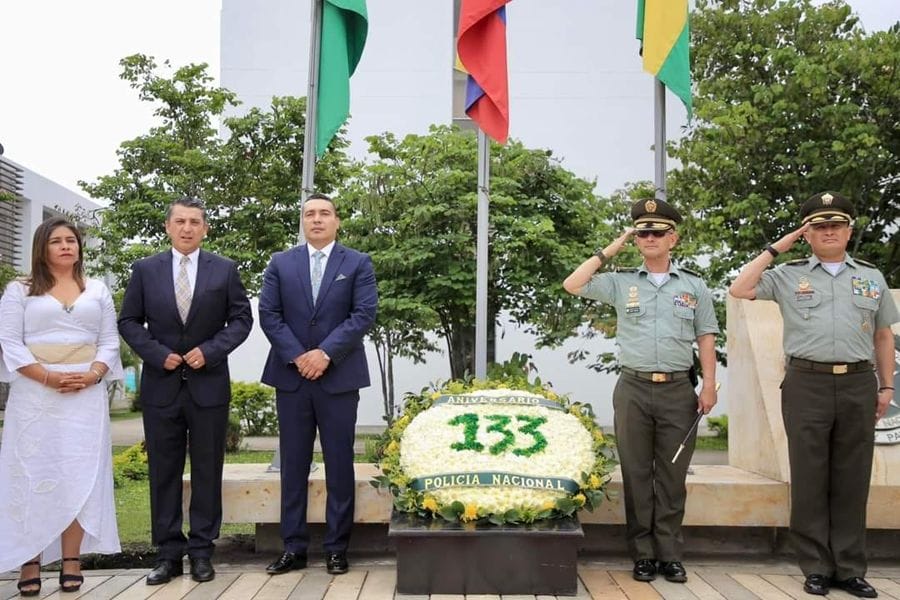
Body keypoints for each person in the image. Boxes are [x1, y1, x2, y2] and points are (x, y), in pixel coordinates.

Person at [729, 191, 898, 598]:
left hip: (859, 383)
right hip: (807, 383)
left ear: (848, 230)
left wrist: (887, 386)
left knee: (852, 479)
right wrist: (777, 246)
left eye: (835, 225)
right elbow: (739, 288)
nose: (828, 232)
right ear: (807, 234)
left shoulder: (871, 277)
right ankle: (817, 567)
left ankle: (851, 569)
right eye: (819, 226)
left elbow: (883, 335)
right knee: (808, 477)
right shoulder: (788, 275)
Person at [563, 198, 719, 584]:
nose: (650, 237)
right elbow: (573, 283)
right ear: (636, 239)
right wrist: (610, 248)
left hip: (678, 390)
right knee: (635, 473)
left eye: (658, 232)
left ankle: (670, 554)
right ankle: (643, 554)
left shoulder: (694, 286)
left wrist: (711, 385)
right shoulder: (621, 283)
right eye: (643, 232)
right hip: (632, 388)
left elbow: (706, 337)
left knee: (671, 476)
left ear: (673, 239)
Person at [118, 197, 252, 585]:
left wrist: (208, 352)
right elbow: (128, 321)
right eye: (180, 221)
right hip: (162, 387)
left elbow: (241, 320)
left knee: (208, 470)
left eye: (195, 222)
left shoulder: (224, 270)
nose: (187, 228)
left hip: (208, 386)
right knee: (164, 472)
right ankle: (168, 554)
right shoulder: (145, 270)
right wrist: (159, 355)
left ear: (205, 228)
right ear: (167, 226)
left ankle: (202, 552)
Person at [0, 216, 123, 596]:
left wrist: (93, 374)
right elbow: (10, 341)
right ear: (42, 247)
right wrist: (48, 377)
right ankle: (29, 561)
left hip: (84, 397)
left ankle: (72, 561)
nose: (67, 246)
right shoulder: (19, 290)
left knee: (79, 477)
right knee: (31, 475)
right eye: (57, 241)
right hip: (36, 396)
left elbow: (109, 341)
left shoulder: (97, 289)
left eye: (72, 240)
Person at [259, 193, 377, 576]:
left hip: (338, 378)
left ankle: (336, 547)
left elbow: (363, 314)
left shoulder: (357, 263)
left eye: (324, 213)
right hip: (292, 378)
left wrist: (325, 353)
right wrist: (299, 356)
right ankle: (293, 547)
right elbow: (269, 314)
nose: (316, 219)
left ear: (337, 221)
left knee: (339, 463)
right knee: (293, 464)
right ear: (303, 222)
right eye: (309, 214)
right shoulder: (280, 263)